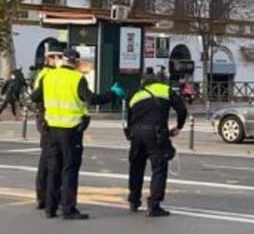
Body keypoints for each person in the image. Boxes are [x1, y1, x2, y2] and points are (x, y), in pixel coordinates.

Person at [29, 49, 124, 219]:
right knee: (69, 169)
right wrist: (112, 94)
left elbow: (35, 97)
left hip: (51, 129)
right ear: (76, 62)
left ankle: (50, 208)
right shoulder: (77, 78)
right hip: (70, 130)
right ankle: (68, 209)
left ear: (62, 61)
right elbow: (91, 99)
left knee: (53, 169)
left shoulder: (48, 76)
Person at [125, 71, 188, 217]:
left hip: (137, 134)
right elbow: (182, 109)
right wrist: (178, 126)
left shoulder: (135, 94)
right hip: (156, 133)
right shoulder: (165, 89)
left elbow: (129, 117)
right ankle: (154, 205)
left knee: (136, 167)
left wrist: (131, 132)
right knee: (159, 168)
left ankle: (134, 200)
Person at [30, 44, 66, 209]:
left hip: (52, 119)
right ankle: (44, 196)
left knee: (52, 158)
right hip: (47, 119)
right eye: (58, 58)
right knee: (48, 159)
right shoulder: (46, 74)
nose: (61, 61)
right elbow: (37, 97)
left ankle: (49, 196)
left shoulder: (50, 73)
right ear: (50, 59)